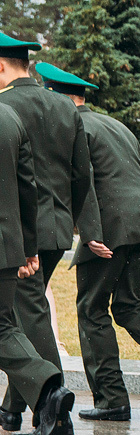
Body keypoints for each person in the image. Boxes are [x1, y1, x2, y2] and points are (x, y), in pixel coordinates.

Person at [35, 62, 140, 422]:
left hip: (109, 229)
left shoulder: (69, 128)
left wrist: (90, 232)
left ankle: (112, 400)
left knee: (91, 310)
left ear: (53, 97)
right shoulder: (115, 125)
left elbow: (84, 181)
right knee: (128, 305)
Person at [0, 31, 103, 432]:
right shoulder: (64, 107)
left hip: (19, 229)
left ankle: (55, 408)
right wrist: (87, 226)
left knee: (28, 316)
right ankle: (11, 408)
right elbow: (83, 174)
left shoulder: (4, 108)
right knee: (20, 315)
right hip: (58, 227)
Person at [0, 100, 75, 435]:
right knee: (4, 327)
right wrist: (28, 248)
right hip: (7, 245)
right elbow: (27, 188)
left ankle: (46, 389)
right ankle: (45, 393)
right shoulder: (9, 116)